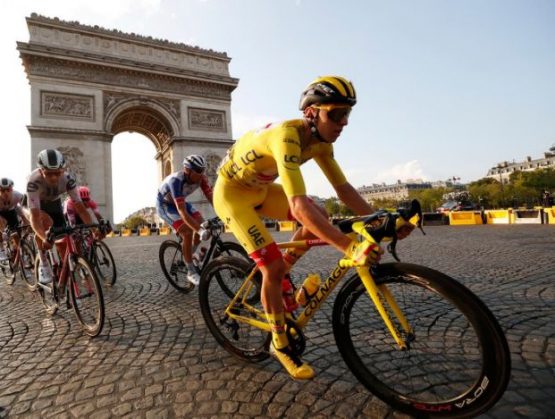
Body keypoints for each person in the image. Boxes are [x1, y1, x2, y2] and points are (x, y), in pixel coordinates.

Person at [213, 75, 413, 380]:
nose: (343, 122)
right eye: (336, 113)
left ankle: (284, 282)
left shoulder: (321, 144)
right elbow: (297, 206)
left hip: (261, 189)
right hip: (231, 196)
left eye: (347, 114)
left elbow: (344, 191)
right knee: (272, 266)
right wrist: (348, 247)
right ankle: (279, 343)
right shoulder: (287, 136)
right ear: (311, 112)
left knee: (317, 213)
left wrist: (380, 219)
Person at [24, 148, 96, 284]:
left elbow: (80, 208)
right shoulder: (33, 181)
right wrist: (44, 238)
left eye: (57, 173)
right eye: (49, 173)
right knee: (45, 222)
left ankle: (65, 283)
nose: (54, 177)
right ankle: (44, 264)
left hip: (55, 203)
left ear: (63, 170)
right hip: (37, 205)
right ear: (41, 171)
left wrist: (94, 230)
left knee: (63, 241)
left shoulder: (68, 179)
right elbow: (34, 217)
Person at [156, 155, 214, 285]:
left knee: (203, 224)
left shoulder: (201, 179)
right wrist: (199, 230)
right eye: (198, 171)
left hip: (180, 202)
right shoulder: (175, 181)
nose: (201, 174)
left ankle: (188, 255)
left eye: (203, 170)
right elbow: (182, 211)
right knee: (188, 232)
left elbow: (212, 198)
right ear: (187, 170)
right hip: (166, 205)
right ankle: (191, 271)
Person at [0, 178, 30, 261]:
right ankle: (1, 249)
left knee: (16, 234)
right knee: (1, 227)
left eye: (8, 190)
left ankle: (20, 252)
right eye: (2, 190)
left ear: (11, 189)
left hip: (11, 211)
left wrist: (28, 222)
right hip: (1, 214)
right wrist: (2, 231)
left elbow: (26, 208)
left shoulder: (17, 195)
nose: (6, 193)